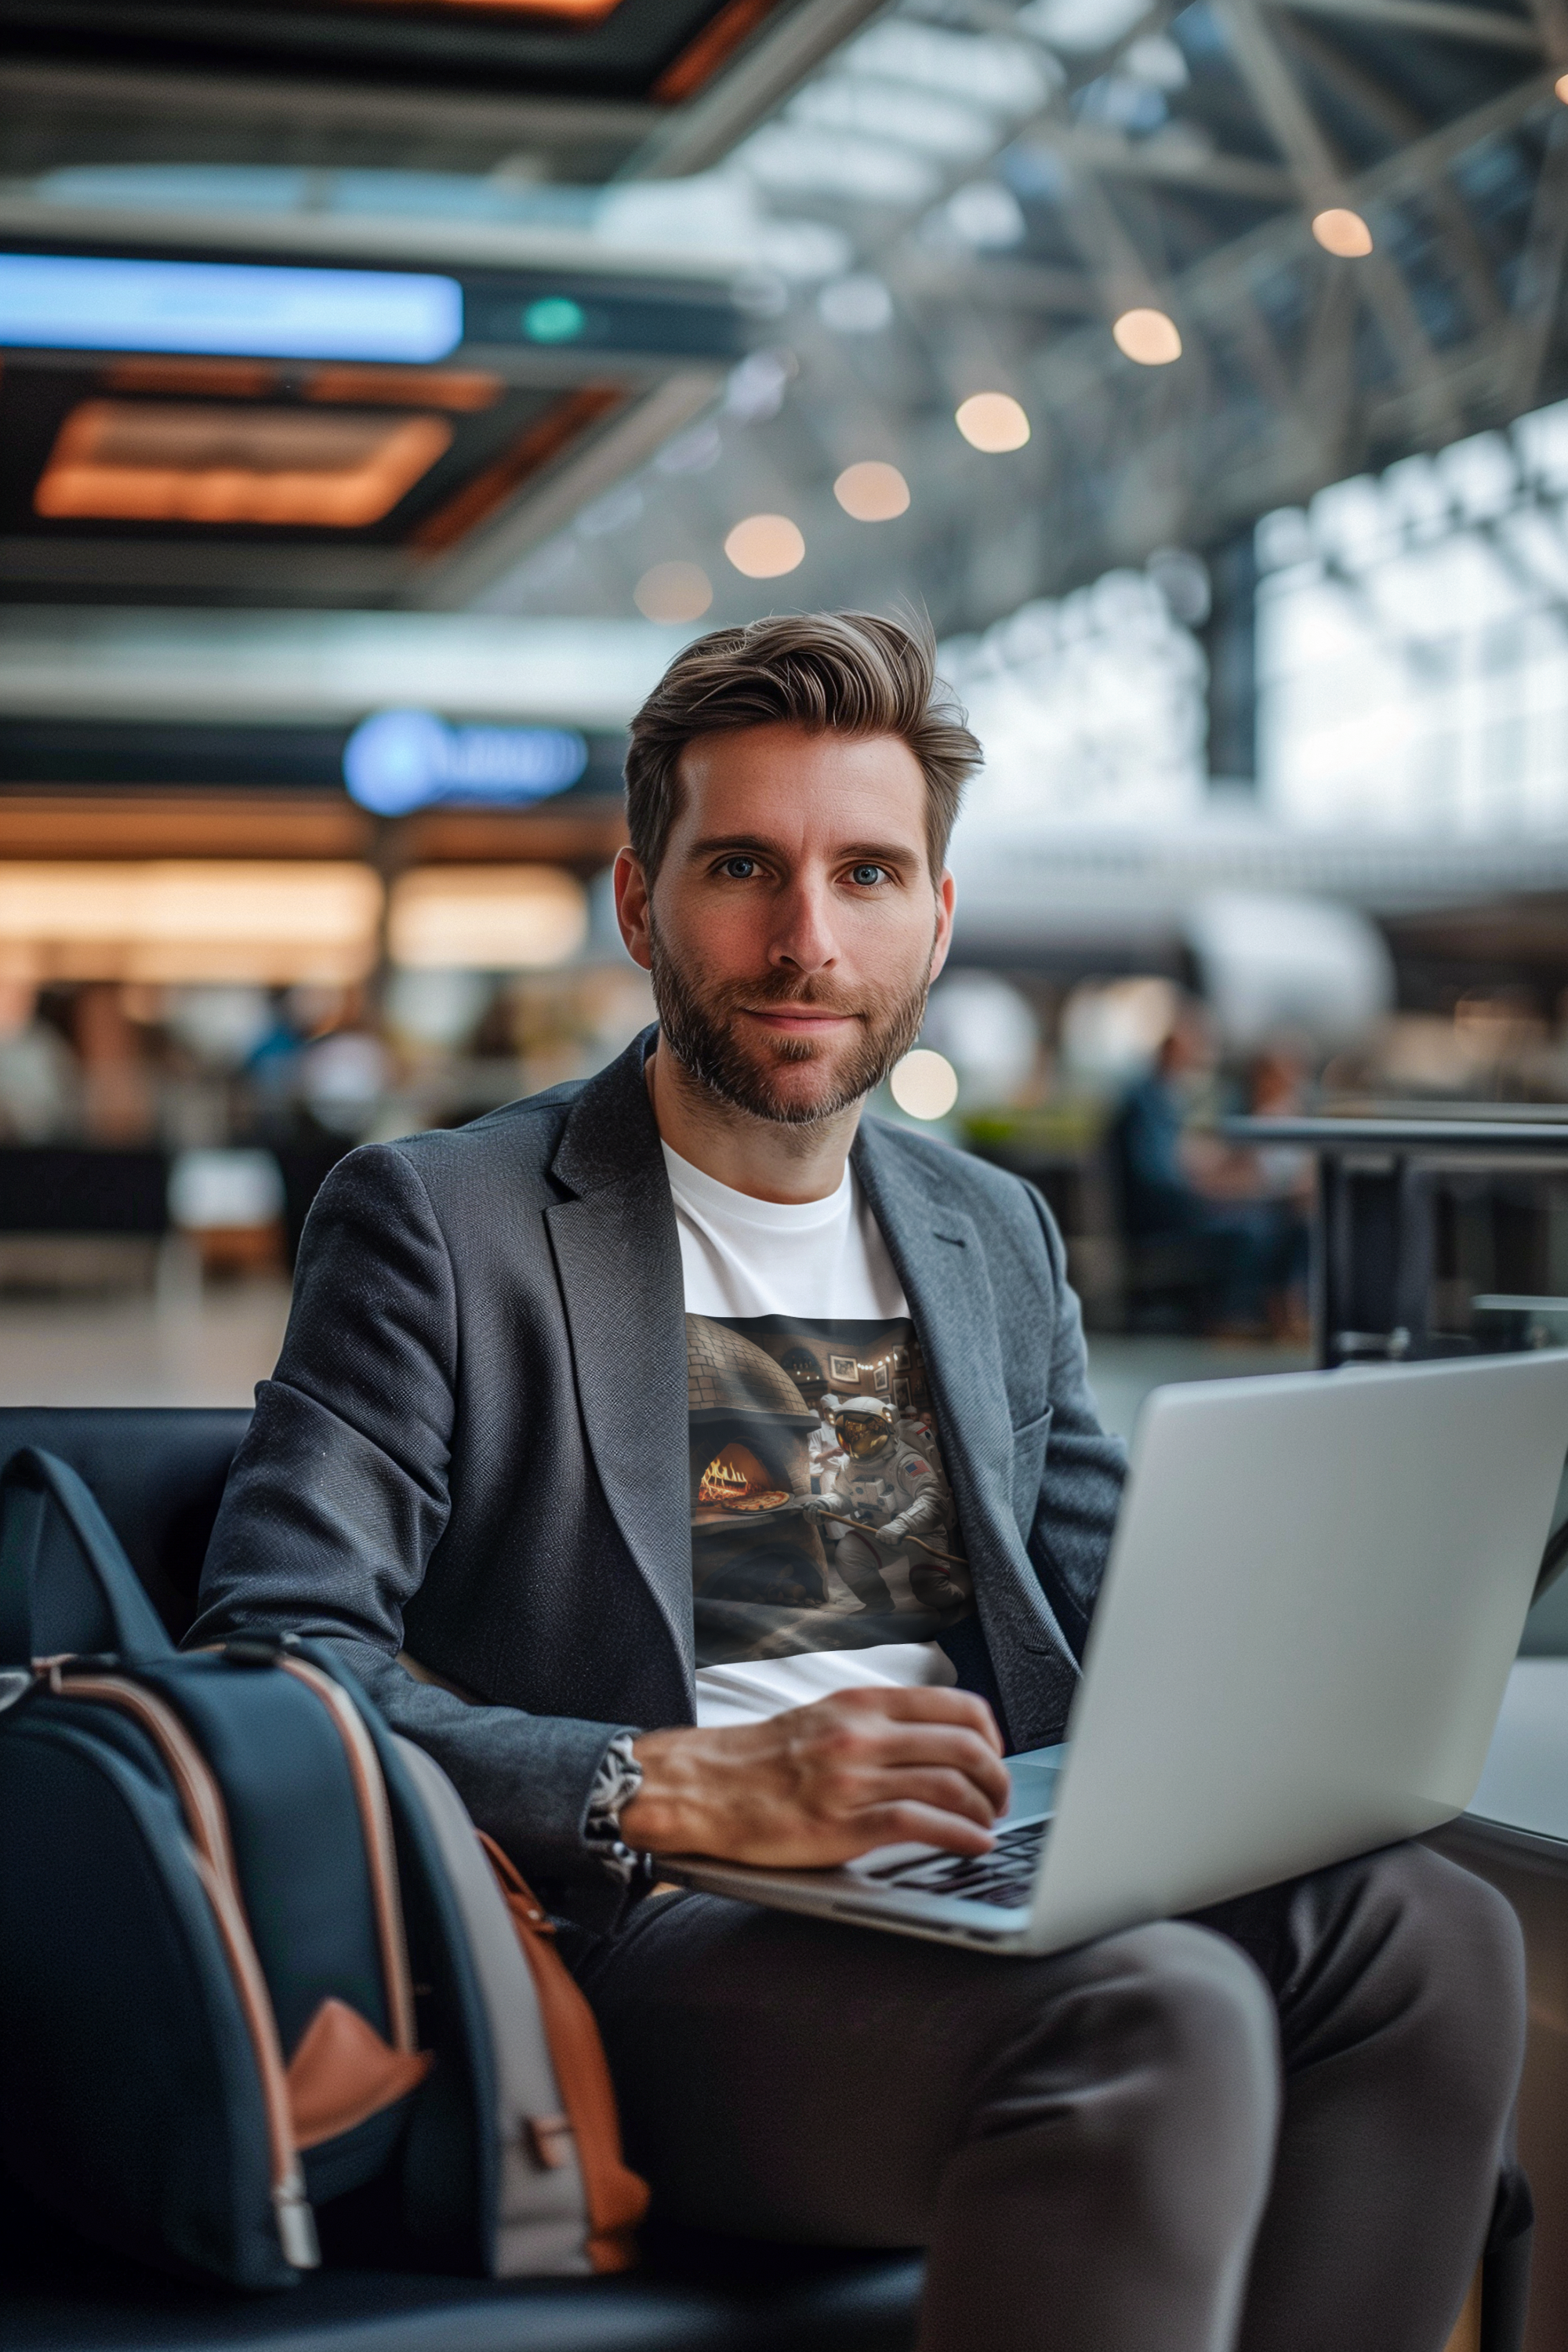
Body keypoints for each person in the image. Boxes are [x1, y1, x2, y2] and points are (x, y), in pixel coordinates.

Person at [191, 614, 1523, 2352]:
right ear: (638, 900)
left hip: (971, 1872)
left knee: (1433, 1936)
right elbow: (267, 1658)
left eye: (868, 873)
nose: (806, 941)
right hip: (643, 1935)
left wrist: (1344, 1644)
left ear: (936, 916)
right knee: (1158, 2013)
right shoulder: (444, 1224)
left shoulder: (986, 1229)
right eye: (742, 866)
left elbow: (1131, 1609)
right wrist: (659, 1787)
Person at [1111, 1000, 1308, 1333]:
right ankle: (1236, 1319)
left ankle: (1277, 1316)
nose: (1200, 1057)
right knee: (1253, 1228)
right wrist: (1206, 1190)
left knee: (1281, 1223)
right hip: (1161, 1218)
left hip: (1177, 1205)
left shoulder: (1165, 1098)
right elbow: (1161, 1179)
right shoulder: (1145, 1100)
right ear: (1173, 1048)